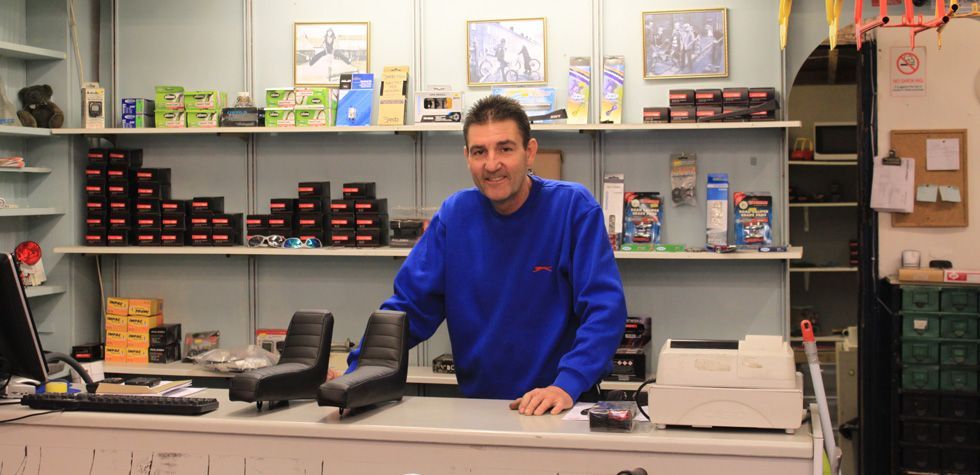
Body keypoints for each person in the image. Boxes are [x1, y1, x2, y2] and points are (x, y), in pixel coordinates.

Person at [340, 95, 628, 416]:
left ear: (529, 151)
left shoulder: (573, 208)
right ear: (467, 156)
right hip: (481, 409)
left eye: (505, 148)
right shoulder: (454, 215)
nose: (492, 165)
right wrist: (359, 370)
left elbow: (605, 309)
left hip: (561, 406)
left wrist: (567, 383)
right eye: (480, 152)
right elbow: (409, 309)